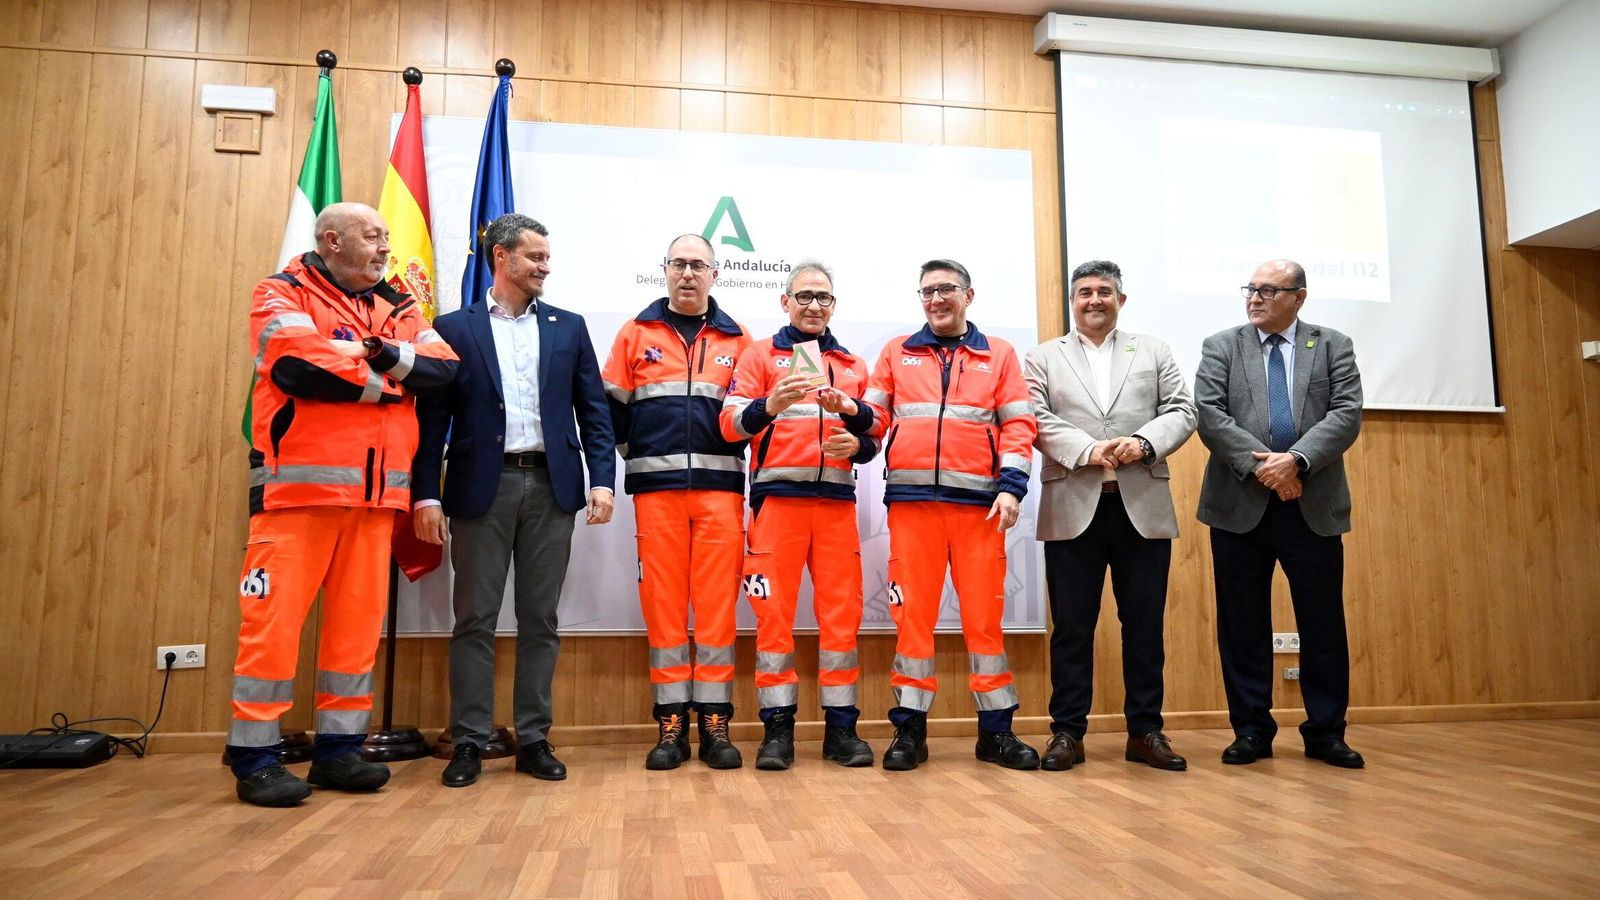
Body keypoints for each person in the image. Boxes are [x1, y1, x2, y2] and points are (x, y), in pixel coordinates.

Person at [228, 202, 459, 806]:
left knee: (356, 632)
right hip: (296, 495)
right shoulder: (280, 293)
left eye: (386, 235)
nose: (385, 247)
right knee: (272, 627)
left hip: (379, 499)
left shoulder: (397, 303)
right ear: (331, 240)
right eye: (372, 236)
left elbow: (443, 372)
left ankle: (339, 752)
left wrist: (373, 354)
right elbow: (301, 369)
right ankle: (255, 757)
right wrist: (392, 384)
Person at [412, 214, 616, 788]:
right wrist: (426, 492)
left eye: (547, 257)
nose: (545, 267)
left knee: (540, 619)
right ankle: (470, 742)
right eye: (535, 257)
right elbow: (431, 424)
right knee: (473, 619)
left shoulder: (569, 328)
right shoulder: (453, 327)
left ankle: (534, 739)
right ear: (501, 257)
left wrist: (602, 480)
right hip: (481, 488)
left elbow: (593, 414)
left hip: (553, 488)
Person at [860, 258, 1040, 771]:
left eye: (945, 289)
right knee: (911, 621)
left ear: (969, 295)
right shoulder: (897, 352)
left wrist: (1011, 489)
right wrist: (851, 427)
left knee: (985, 623)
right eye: (926, 291)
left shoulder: (999, 355)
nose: (935, 299)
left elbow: (1019, 427)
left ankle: (996, 733)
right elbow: (874, 419)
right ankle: (909, 733)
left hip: (980, 510)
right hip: (912, 509)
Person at [1023, 260, 1196, 773]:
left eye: (1104, 292)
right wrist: (1089, 449)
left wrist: (1143, 443)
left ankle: (1146, 731)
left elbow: (1182, 410)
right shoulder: (1043, 357)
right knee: (1072, 627)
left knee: (1143, 625)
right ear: (1072, 301)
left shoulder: (1155, 350)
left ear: (1121, 299)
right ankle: (1066, 733)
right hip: (1073, 506)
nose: (1094, 300)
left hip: (1140, 507)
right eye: (1084, 292)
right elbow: (1034, 416)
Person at [1195, 259, 1365, 769]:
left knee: (1323, 622)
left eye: (1269, 290)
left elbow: (1346, 413)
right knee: (1241, 622)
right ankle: (1251, 730)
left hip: (1310, 502)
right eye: (1251, 289)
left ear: (1300, 296)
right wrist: (1266, 468)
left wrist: (1297, 461)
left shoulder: (1332, 344)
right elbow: (1210, 414)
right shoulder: (1221, 345)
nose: (1255, 298)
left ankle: (1326, 732)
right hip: (1239, 505)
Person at [720, 259, 880, 770]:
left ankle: (841, 732)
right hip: (777, 508)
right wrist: (769, 404)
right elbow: (728, 425)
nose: (815, 306)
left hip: (835, 508)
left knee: (841, 622)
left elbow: (874, 440)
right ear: (784, 301)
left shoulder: (853, 364)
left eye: (824, 298)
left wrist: (856, 443)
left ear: (834, 305)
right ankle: (778, 733)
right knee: (774, 622)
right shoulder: (759, 355)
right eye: (805, 296)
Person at [602, 234, 753, 770]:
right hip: (657, 496)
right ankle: (670, 724)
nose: (688, 273)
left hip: (720, 495)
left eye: (699, 265)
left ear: (716, 274)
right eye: (679, 264)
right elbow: (610, 410)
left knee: (715, 611)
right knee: (664, 609)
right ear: (664, 270)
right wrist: (636, 452)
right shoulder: (634, 333)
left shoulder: (740, 341)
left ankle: (715, 722)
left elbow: (753, 417)